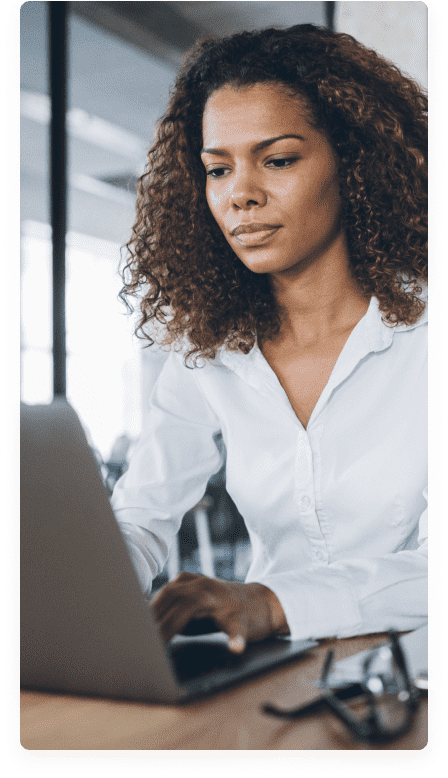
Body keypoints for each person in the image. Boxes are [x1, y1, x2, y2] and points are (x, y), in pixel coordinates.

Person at [112, 24, 429, 654]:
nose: (241, 195)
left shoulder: (428, 336)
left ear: (354, 163)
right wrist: (67, 583)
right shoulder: (209, 345)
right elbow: (141, 514)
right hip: (268, 676)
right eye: (217, 169)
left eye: (278, 160)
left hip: (420, 687)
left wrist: (270, 602)